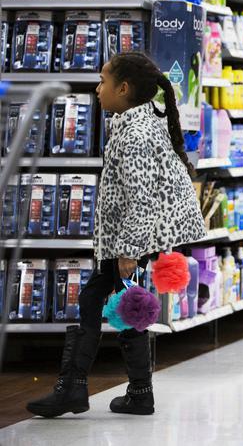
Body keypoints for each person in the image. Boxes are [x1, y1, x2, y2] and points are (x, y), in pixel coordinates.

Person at [26, 52, 206, 418]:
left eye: (103, 82)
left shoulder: (134, 134)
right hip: (131, 234)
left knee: (97, 298)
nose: (97, 89)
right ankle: (136, 391)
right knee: (123, 304)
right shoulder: (131, 124)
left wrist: (126, 252)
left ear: (123, 89)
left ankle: (74, 387)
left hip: (134, 235)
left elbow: (140, 200)